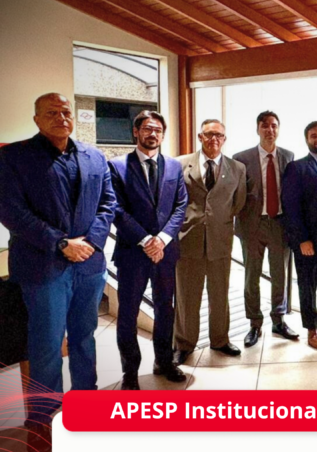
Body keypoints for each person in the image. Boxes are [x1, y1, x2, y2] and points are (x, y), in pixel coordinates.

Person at [0, 93, 116, 452]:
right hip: (43, 267)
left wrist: (91, 242)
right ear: (36, 119)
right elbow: (11, 211)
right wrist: (61, 243)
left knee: (84, 339)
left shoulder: (94, 157)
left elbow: (108, 203)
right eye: (52, 112)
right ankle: (43, 423)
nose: (61, 117)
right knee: (46, 347)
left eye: (66, 112)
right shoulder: (14, 157)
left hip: (89, 265)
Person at [109, 111, 188, 390]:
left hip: (165, 253)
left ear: (163, 135)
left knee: (166, 309)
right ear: (136, 132)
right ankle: (130, 371)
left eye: (158, 130)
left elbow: (181, 205)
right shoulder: (117, 166)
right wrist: (146, 240)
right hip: (133, 253)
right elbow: (116, 209)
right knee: (128, 314)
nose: (153, 134)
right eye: (147, 128)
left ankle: (164, 362)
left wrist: (162, 239)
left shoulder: (174, 166)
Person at [173, 119, 247, 364]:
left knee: (220, 294)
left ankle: (220, 340)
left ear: (224, 139)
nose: (214, 139)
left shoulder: (237, 168)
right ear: (200, 137)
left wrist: (217, 222)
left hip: (220, 241)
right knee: (187, 296)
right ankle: (183, 343)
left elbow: (238, 203)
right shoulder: (180, 164)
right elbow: (174, 201)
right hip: (188, 240)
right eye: (209, 134)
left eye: (219, 135)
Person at [233, 111, 297, 348]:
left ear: (278, 129)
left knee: (280, 274)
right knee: (252, 276)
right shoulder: (241, 158)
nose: (270, 130)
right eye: (265, 126)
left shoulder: (288, 156)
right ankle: (254, 323)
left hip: (280, 223)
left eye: (274, 126)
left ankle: (278, 320)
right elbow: (235, 193)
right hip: (252, 224)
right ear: (257, 129)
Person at [281, 121, 317, 350]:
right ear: (307, 140)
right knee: (307, 286)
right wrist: (302, 239)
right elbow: (291, 207)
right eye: (314, 136)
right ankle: (311, 328)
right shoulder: (296, 168)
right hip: (309, 241)